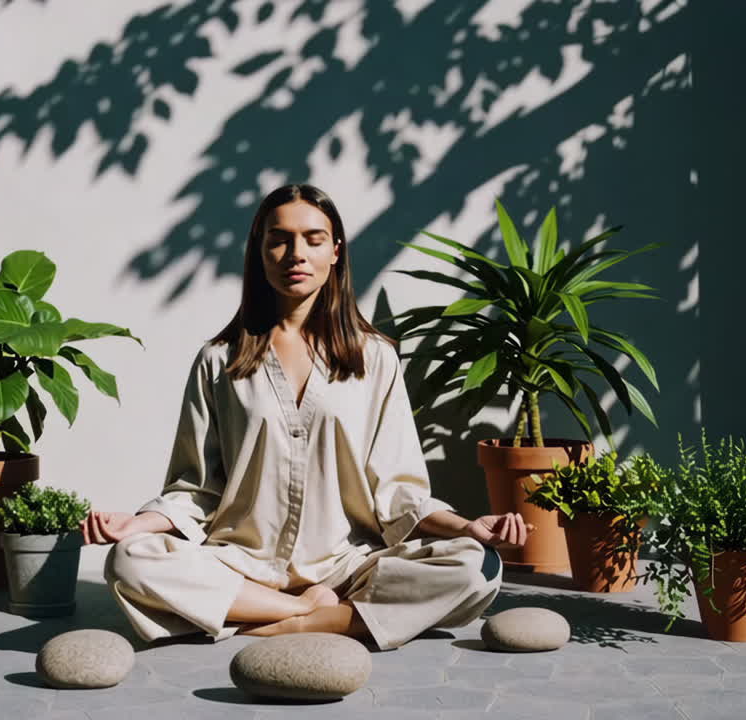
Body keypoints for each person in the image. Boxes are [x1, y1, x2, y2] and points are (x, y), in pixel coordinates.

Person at [83, 184, 528, 651]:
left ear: (335, 252)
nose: (296, 253)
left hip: (346, 566)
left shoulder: (374, 359)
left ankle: (272, 622)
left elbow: (399, 492)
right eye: (280, 239)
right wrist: (137, 525)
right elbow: (195, 490)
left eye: (313, 239)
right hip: (241, 564)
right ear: (260, 251)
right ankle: (309, 612)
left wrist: (468, 527)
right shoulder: (218, 361)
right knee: (130, 559)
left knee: (476, 565)